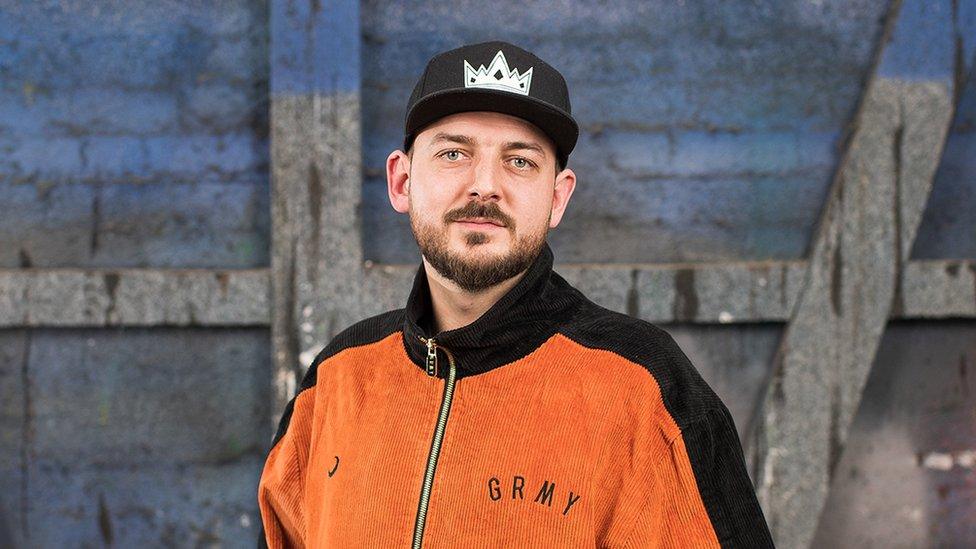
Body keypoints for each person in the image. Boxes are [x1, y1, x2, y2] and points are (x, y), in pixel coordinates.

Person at [257, 40, 774, 548]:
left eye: (520, 161)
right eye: (454, 153)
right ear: (401, 181)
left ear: (557, 197)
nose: (484, 186)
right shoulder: (337, 380)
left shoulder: (643, 391)